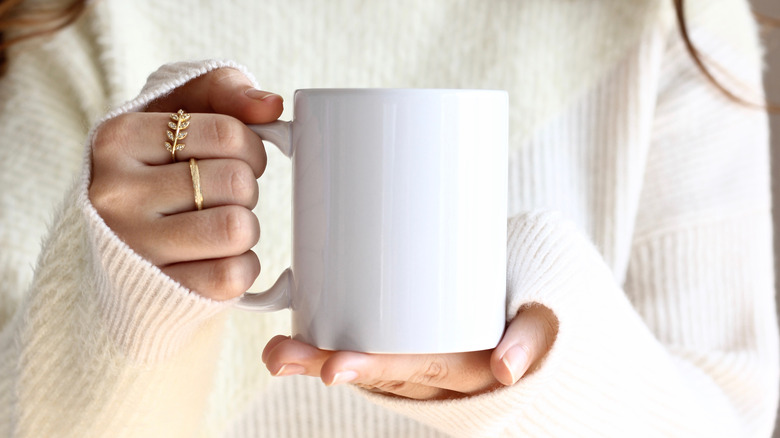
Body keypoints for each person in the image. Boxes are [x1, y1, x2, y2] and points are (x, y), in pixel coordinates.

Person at [0, 0, 777, 436]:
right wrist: (123, 300)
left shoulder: (669, 22)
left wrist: (539, 379)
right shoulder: (83, 19)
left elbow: (730, 424)